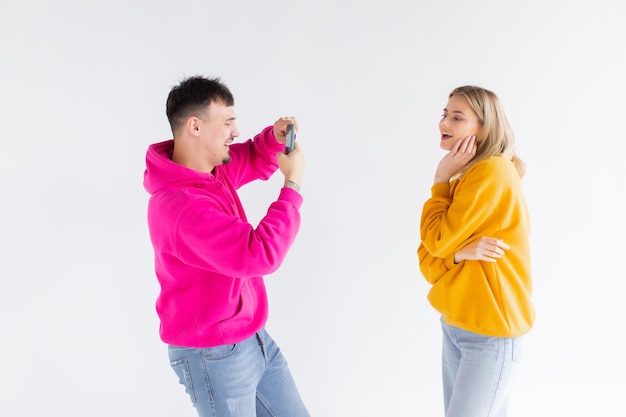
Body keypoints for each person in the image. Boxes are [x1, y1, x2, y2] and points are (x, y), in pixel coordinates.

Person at [143, 75, 310, 417]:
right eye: (227, 123)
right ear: (195, 126)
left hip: (252, 336)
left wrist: (272, 140)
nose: (235, 132)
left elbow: (246, 158)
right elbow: (259, 253)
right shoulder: (183, 206)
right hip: (214, 354)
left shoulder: (206, 173)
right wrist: (292, 185)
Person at [417, 86, 534, 417]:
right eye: (444, 114)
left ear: (484, 128)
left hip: (490, 334)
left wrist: (440, 178)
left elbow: (436, 241)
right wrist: (459, 254)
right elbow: (428, 262)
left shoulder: (491, 172)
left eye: (458, 117)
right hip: (457, 325)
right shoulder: (466, 181)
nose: (445, 122)